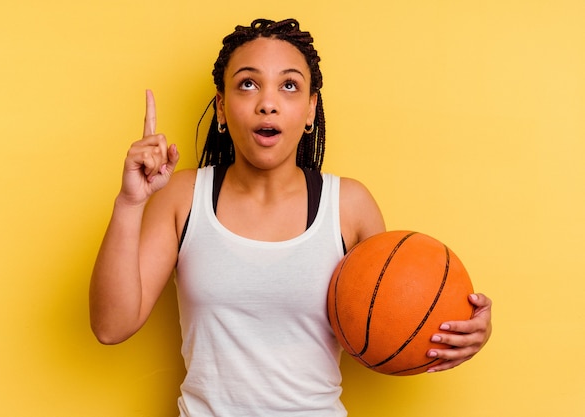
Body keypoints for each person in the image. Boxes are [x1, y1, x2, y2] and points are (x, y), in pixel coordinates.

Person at [90, 18, 492, 416]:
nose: (268, 102)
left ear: (311, 108)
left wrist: (463, 331)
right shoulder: (183, 195)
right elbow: (111, 327)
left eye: (289, 85)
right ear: (221, 108)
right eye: (248, 83)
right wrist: (130, 203)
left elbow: (392, 324)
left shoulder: (348, 205)